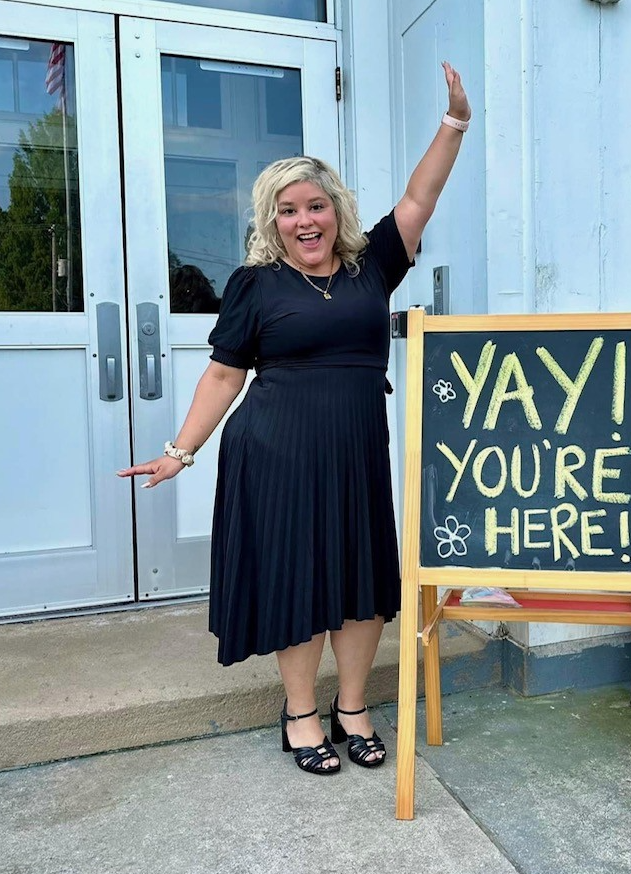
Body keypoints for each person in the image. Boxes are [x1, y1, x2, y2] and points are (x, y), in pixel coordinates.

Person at [118, 62, 471, 776]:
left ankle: (354, 708)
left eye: (315, 205)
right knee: (300, 581)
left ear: (334, 209)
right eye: (288, 210)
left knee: (362, 582)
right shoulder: (255, 285)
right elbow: (224, 374)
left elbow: (419, 196)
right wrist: (179, 451)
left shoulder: (372, 268)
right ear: (271, 222)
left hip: (355, 449)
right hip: (275, 450)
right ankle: (302, 714)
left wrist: (455, 121)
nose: (304, 219)